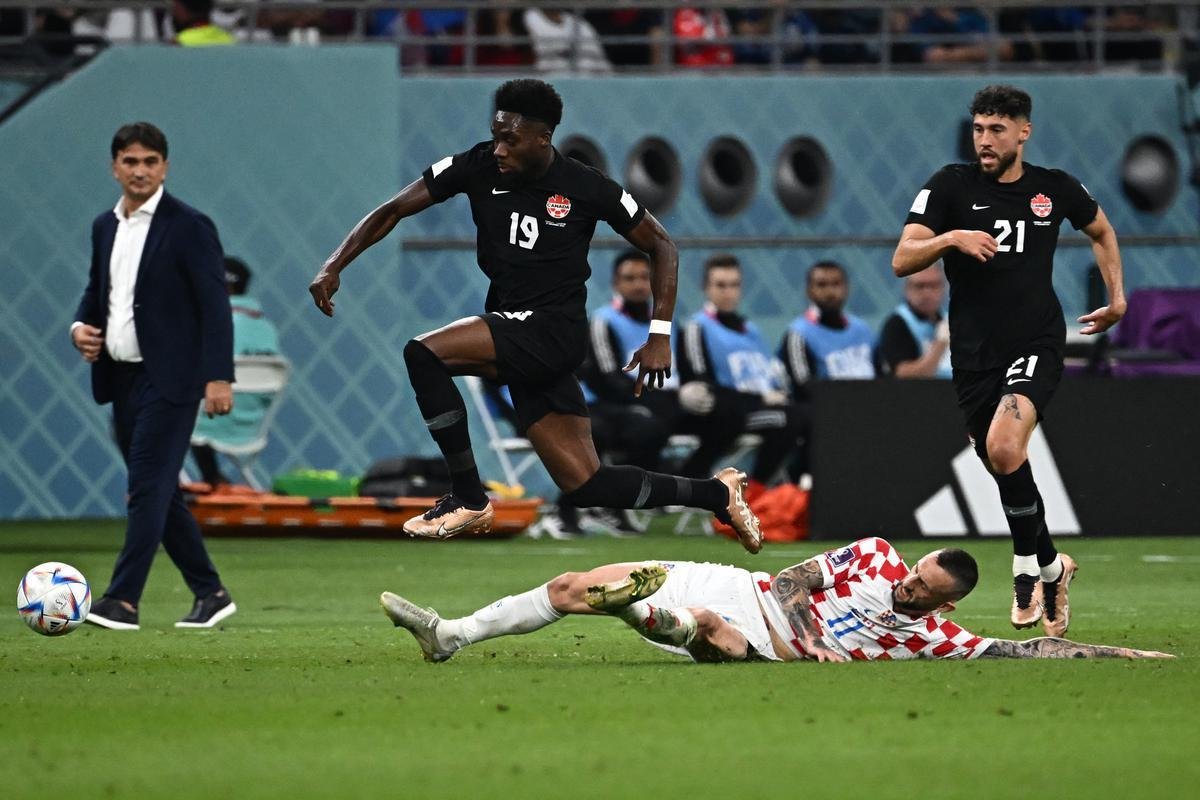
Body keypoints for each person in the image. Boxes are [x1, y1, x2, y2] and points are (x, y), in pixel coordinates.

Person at [308, 79, 763, 553]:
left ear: (542, 138)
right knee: (588, 485)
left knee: (424, 353)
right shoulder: (477, 165)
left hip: (553, 330)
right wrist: (334, 264)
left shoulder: (584, 185)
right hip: (518, 332)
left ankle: (466, 496)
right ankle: (715, 493)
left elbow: (662, 244)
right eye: (496, 134)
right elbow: (394, 209)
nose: (499, 148)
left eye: (511, 139)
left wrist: (660, 332)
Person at [892, 84, 1126, 636]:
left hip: (1037, 342)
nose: (985, 140)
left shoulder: (1054, 189)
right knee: (1004, 465)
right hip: (975, 355)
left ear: (1024, 131)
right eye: (978, 129)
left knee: (1002, 446)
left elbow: (1101, 230)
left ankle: (1024, 573)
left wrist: (1117, 298)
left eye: (997, 129)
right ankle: (1053, 566)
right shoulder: (951, 185)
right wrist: (952, 237)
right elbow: (902, 258)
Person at [380, 536, 1172, 664]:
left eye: (920, 590)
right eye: (913, 571)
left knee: (714, 637)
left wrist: (1123, 652)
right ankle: (448, 635)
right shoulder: (872, 552)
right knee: (562, 588)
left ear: (943, 604)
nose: (905, 583)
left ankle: (638, 609)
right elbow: (794, 582)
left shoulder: (933, 641)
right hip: (746, 589)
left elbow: (1031, 648)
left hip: (757, 641)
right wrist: (814, 633)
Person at [71, 122, 237, 631]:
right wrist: (81, 327)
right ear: (114, 166)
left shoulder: (189, 225)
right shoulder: (105, 226)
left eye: (149, 162)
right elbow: (99, 292)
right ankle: (210, 593)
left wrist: (218, 378)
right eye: (130, 161)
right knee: (160, 491)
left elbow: (215, 306)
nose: (140, 171)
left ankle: (122, 600)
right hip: (119, 379)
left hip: (172, 380)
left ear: (164, 166)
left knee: (145, 487)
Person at [678, 254, 808, 491]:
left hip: (758, 409)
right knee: (789, 418)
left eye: (734, 285)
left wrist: (773, 395)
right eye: (720, 285)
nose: (728, 292)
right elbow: (702, 384)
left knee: (808, 416)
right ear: (706, 288)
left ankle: (795, 492)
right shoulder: (696, 328)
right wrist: (760, 399)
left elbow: (770, 377)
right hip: (726, 416)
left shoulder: (751, 331)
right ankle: (753, 494)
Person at [190, 256, 282, 488]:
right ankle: (214, 481)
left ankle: (155, 490)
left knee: (135, 414)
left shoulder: (211, 324)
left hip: (208, 420)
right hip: (251, 428)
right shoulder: (266, 328)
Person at [780, 259, 877, 391]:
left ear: (847, 288)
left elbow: (883, 376)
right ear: (809, 291)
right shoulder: (798, 333)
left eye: (836, 284)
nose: (830, 292)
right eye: (821, 285)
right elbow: (803, 387)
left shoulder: (863, 330)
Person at [876, 261, 952, 378]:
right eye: (920, 286)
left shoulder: (949, 319)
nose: (927, 293)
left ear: (943, 288)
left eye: (934, 286)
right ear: (907, 289)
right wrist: (940, 345)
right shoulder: (897, 324)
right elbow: (904, 375)